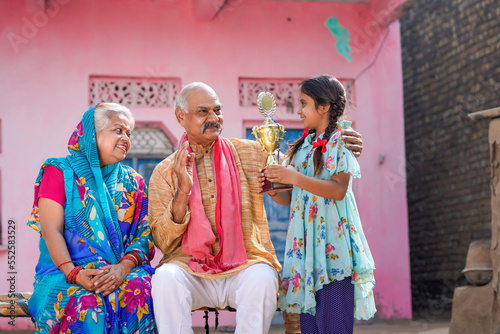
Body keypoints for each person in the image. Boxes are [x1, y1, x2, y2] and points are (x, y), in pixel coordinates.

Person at [148, 82, 363, 334]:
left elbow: (302, 173)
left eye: (217, 110)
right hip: (191, 269)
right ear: (180, 116)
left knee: (262, 278)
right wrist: (183, 192)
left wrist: (340, 144)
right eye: (203, 112)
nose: (214, 118)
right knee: (165, 279)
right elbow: (162, 240)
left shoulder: (251, 152)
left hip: (244, 265)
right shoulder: (165, 172)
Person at [27, 103, 157, 333]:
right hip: (65, 273)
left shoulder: (133, 182)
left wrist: (122, 269)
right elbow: (50, 229)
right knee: (87, 305)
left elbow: (144, 233)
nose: (126, 138)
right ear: (91, 134)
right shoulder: (59, 172)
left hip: (120, 271)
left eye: (129, 133)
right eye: (118, 130)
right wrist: (74, 274)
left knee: (141, 290)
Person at [262, 75, 376, 334]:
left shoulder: (341, 141)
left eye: (304, 104)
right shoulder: (303, 147)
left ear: (323, 107)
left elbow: (337, 190)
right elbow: (295, 198)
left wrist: (294, 177)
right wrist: (274, 190)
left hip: (332, 249)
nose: (299, 110)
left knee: (335, 325)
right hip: (304, 251)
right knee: (310, 327)